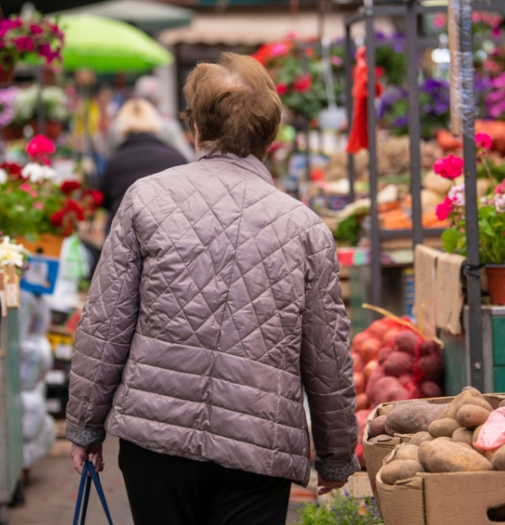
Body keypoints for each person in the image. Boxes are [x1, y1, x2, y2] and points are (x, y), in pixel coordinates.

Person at [66, 53, 358, 525]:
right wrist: (337, 453)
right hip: (258, 444)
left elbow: (105, 324)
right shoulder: (306, 228)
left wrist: (85, 426)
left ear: (197, 130)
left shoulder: (146, 198)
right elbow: (327, 354)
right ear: (272, 135)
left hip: (156, 439)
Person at [100, 99, 186, 231]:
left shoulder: (115, 163)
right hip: (169, 235)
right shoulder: (175, 158)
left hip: (124, 236)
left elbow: (105, 201)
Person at [108, 75, 196, 162]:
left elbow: (109, 156)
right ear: (158, 101)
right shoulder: (168, 126)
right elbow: (187, 157)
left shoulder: (117, 126)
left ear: (134, 96)